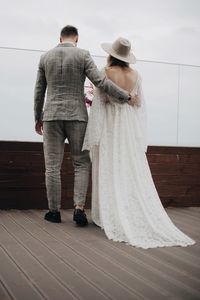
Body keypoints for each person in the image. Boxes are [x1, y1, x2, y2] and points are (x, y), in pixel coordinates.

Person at [83, 37, 195, 248]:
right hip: (129, 125)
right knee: (128, 167)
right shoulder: (136, 75)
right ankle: (128, 207)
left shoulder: (105, 72)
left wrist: (94, 136)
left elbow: (100, 103)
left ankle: (108, 213)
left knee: (110, 165)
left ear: (111, 54)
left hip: (110, 124)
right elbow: (139, 104)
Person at [34, 26, 136, 226]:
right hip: (77, 116)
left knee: (52, 167)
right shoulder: (83, 55)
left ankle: (53, 212)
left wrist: (38, 117)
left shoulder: (45, 58)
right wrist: (125, 96)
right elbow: (100, 82)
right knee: (81, 163)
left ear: (59, 38)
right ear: (77, 39)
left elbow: (39, 91)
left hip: (52, 116)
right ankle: (78, 209)